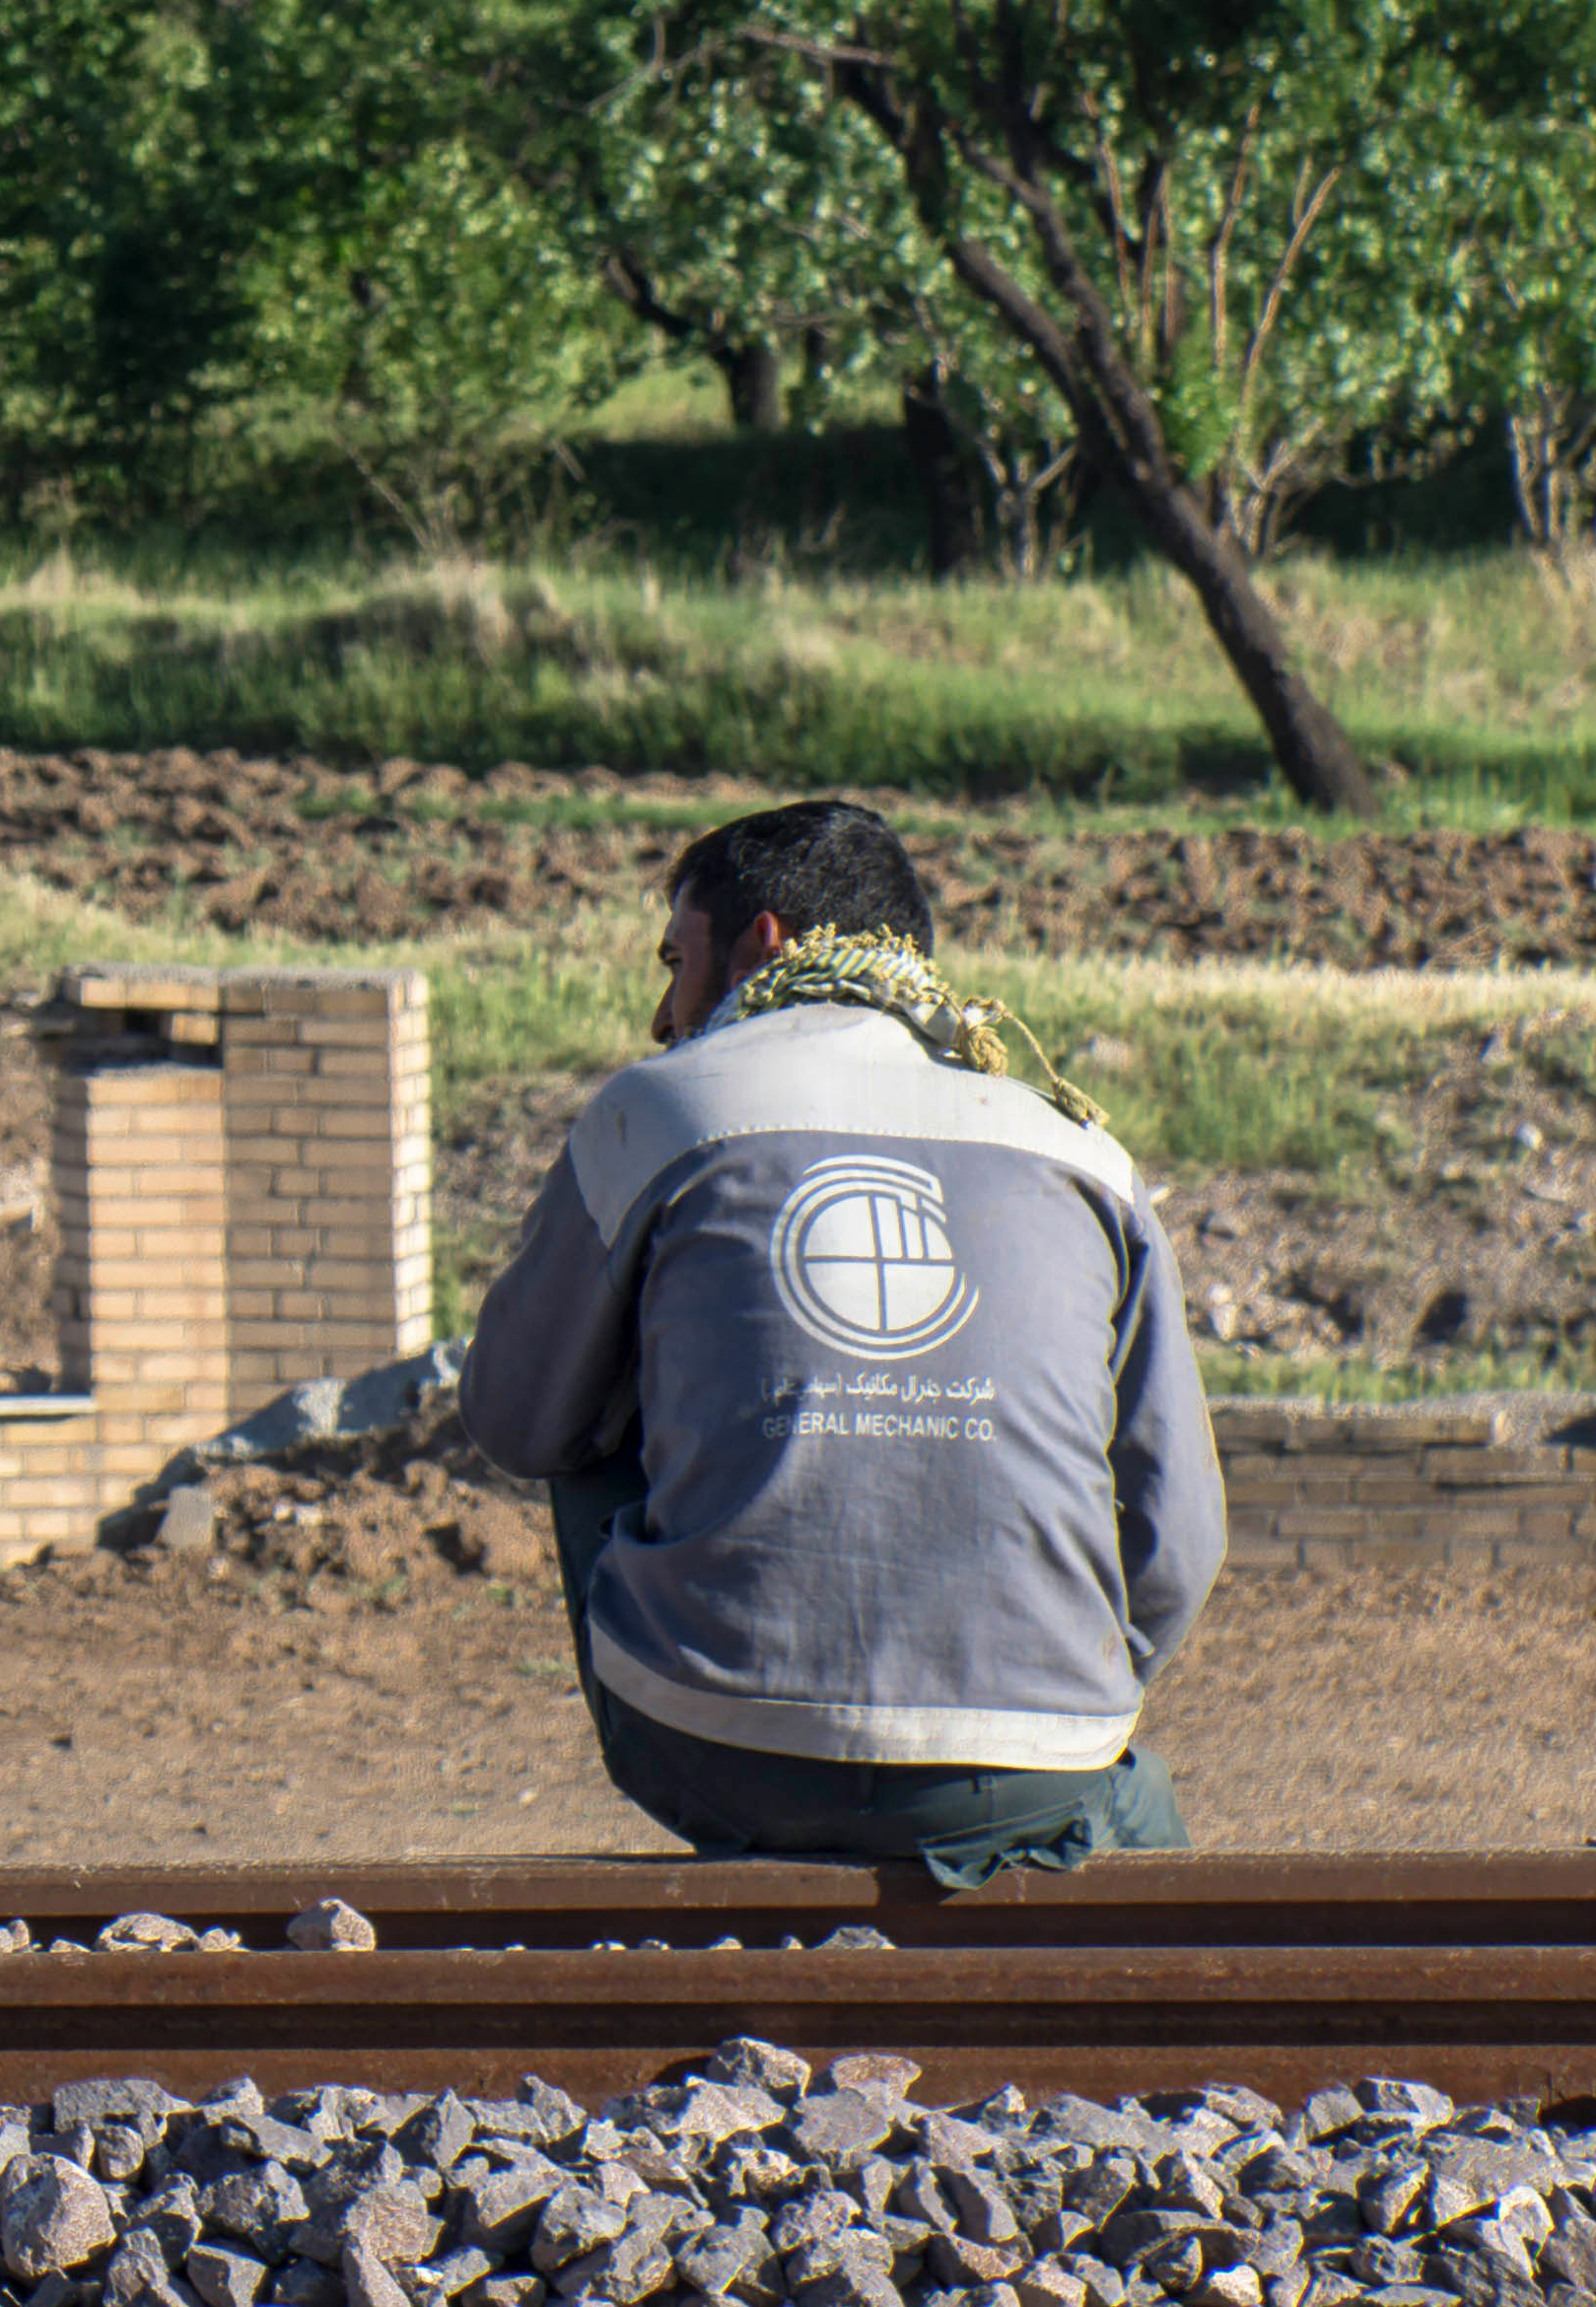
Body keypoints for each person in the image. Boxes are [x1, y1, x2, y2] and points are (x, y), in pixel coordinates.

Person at [455, 796, 1219, 1884]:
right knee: (1126, 1802)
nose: (663, 1018)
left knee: (584, 1396)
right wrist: (1062, 1688)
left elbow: (513, 1418)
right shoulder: (1080, 1149)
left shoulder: (659, 1111)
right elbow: (1178, 1536)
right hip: (1037, 1750)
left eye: (674, 960)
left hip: (718, 1741)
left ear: (760, 940)